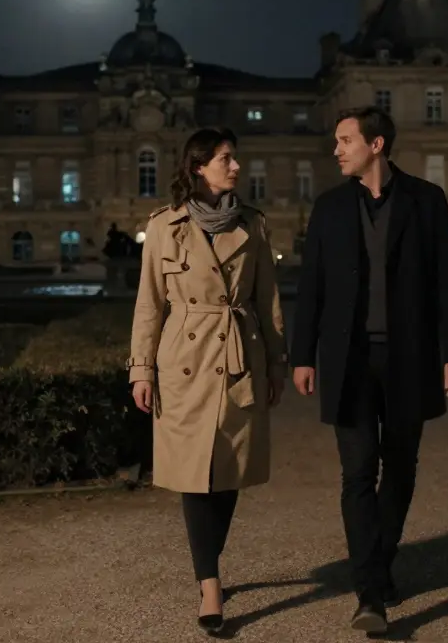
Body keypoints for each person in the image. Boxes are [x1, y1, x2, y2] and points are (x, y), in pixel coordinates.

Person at [290, 106, 448, 634]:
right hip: (348, 358)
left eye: (345, 140)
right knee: (357, 473)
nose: (336, 149)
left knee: (402, 470)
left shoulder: (426, 201)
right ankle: (370, 591)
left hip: (409, 356)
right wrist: (303, 355)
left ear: (377, 144)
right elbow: (313, 288)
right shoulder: (328, 208)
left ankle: (378, 563)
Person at [127, 126, 287, 637]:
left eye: (234, 157)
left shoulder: (254, 225)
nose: (236, 166)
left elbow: (269, 304)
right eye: (225, 158)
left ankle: (207, 566)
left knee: (230, 470)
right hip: (185, 363)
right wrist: (141, 369)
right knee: (195, 475)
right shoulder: (163, 227)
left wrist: (277, 364)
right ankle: (211, 582)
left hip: (240, 357)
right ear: (198, 166)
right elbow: (149, 304)